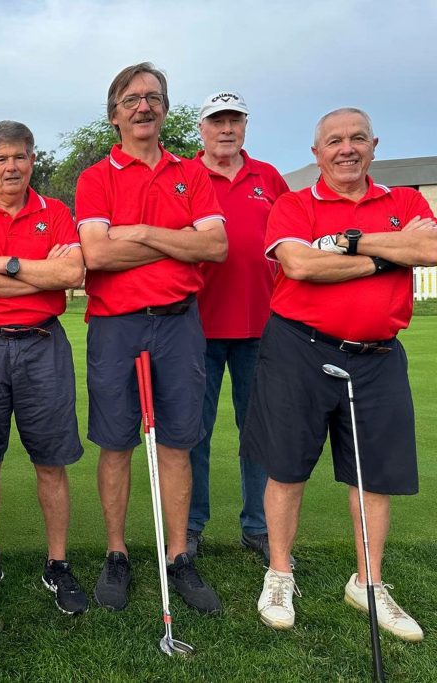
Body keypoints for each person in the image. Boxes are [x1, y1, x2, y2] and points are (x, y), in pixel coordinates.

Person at [243, 107, 436, 641]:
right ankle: (279, 573)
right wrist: (390, 253)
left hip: (378, 355)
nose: (346, 148)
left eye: (357, 138)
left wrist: (349, 241)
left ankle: (368, 583)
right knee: (286, 468)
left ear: (374, 145)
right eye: (334, 141)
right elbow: (301, 265)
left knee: (373, 476)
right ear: (316, 153)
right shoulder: (293, 204)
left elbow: (430, 248)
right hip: (299, 350)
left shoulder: (405, 202)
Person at [76, 63, 227, 615]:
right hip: (116, 324)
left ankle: (179, 555)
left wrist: (138, 232)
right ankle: (116, 553)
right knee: (116, 443)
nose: (144, 106)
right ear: (114, 114)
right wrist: (177, 240)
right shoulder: (96, 177)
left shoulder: (192, 173)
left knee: (177, 443)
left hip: (178, 322)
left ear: (164, 108)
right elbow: (97, 254)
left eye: (154, 97)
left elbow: (215, 247)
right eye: (132, 99)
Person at [0, 120, 88, 615]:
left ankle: (58, 563)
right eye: (1, 159)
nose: (11, 167)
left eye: (20, 157)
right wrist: (36, 273)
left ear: (32, 161)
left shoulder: (56, 211)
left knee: (51, 461)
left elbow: (71, 272)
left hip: (42, 344)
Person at [187, 91, 291, 565]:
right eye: (217, 121)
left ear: (245, 126)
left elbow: (294, 241)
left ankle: (258, 527)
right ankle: (190, 526)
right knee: (194, 434)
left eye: (235, 120)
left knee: (259, 432)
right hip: (196, 326)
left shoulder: (268, 177)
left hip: (262, 326)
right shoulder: (185, 175)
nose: (226, 129)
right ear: (202, 129)